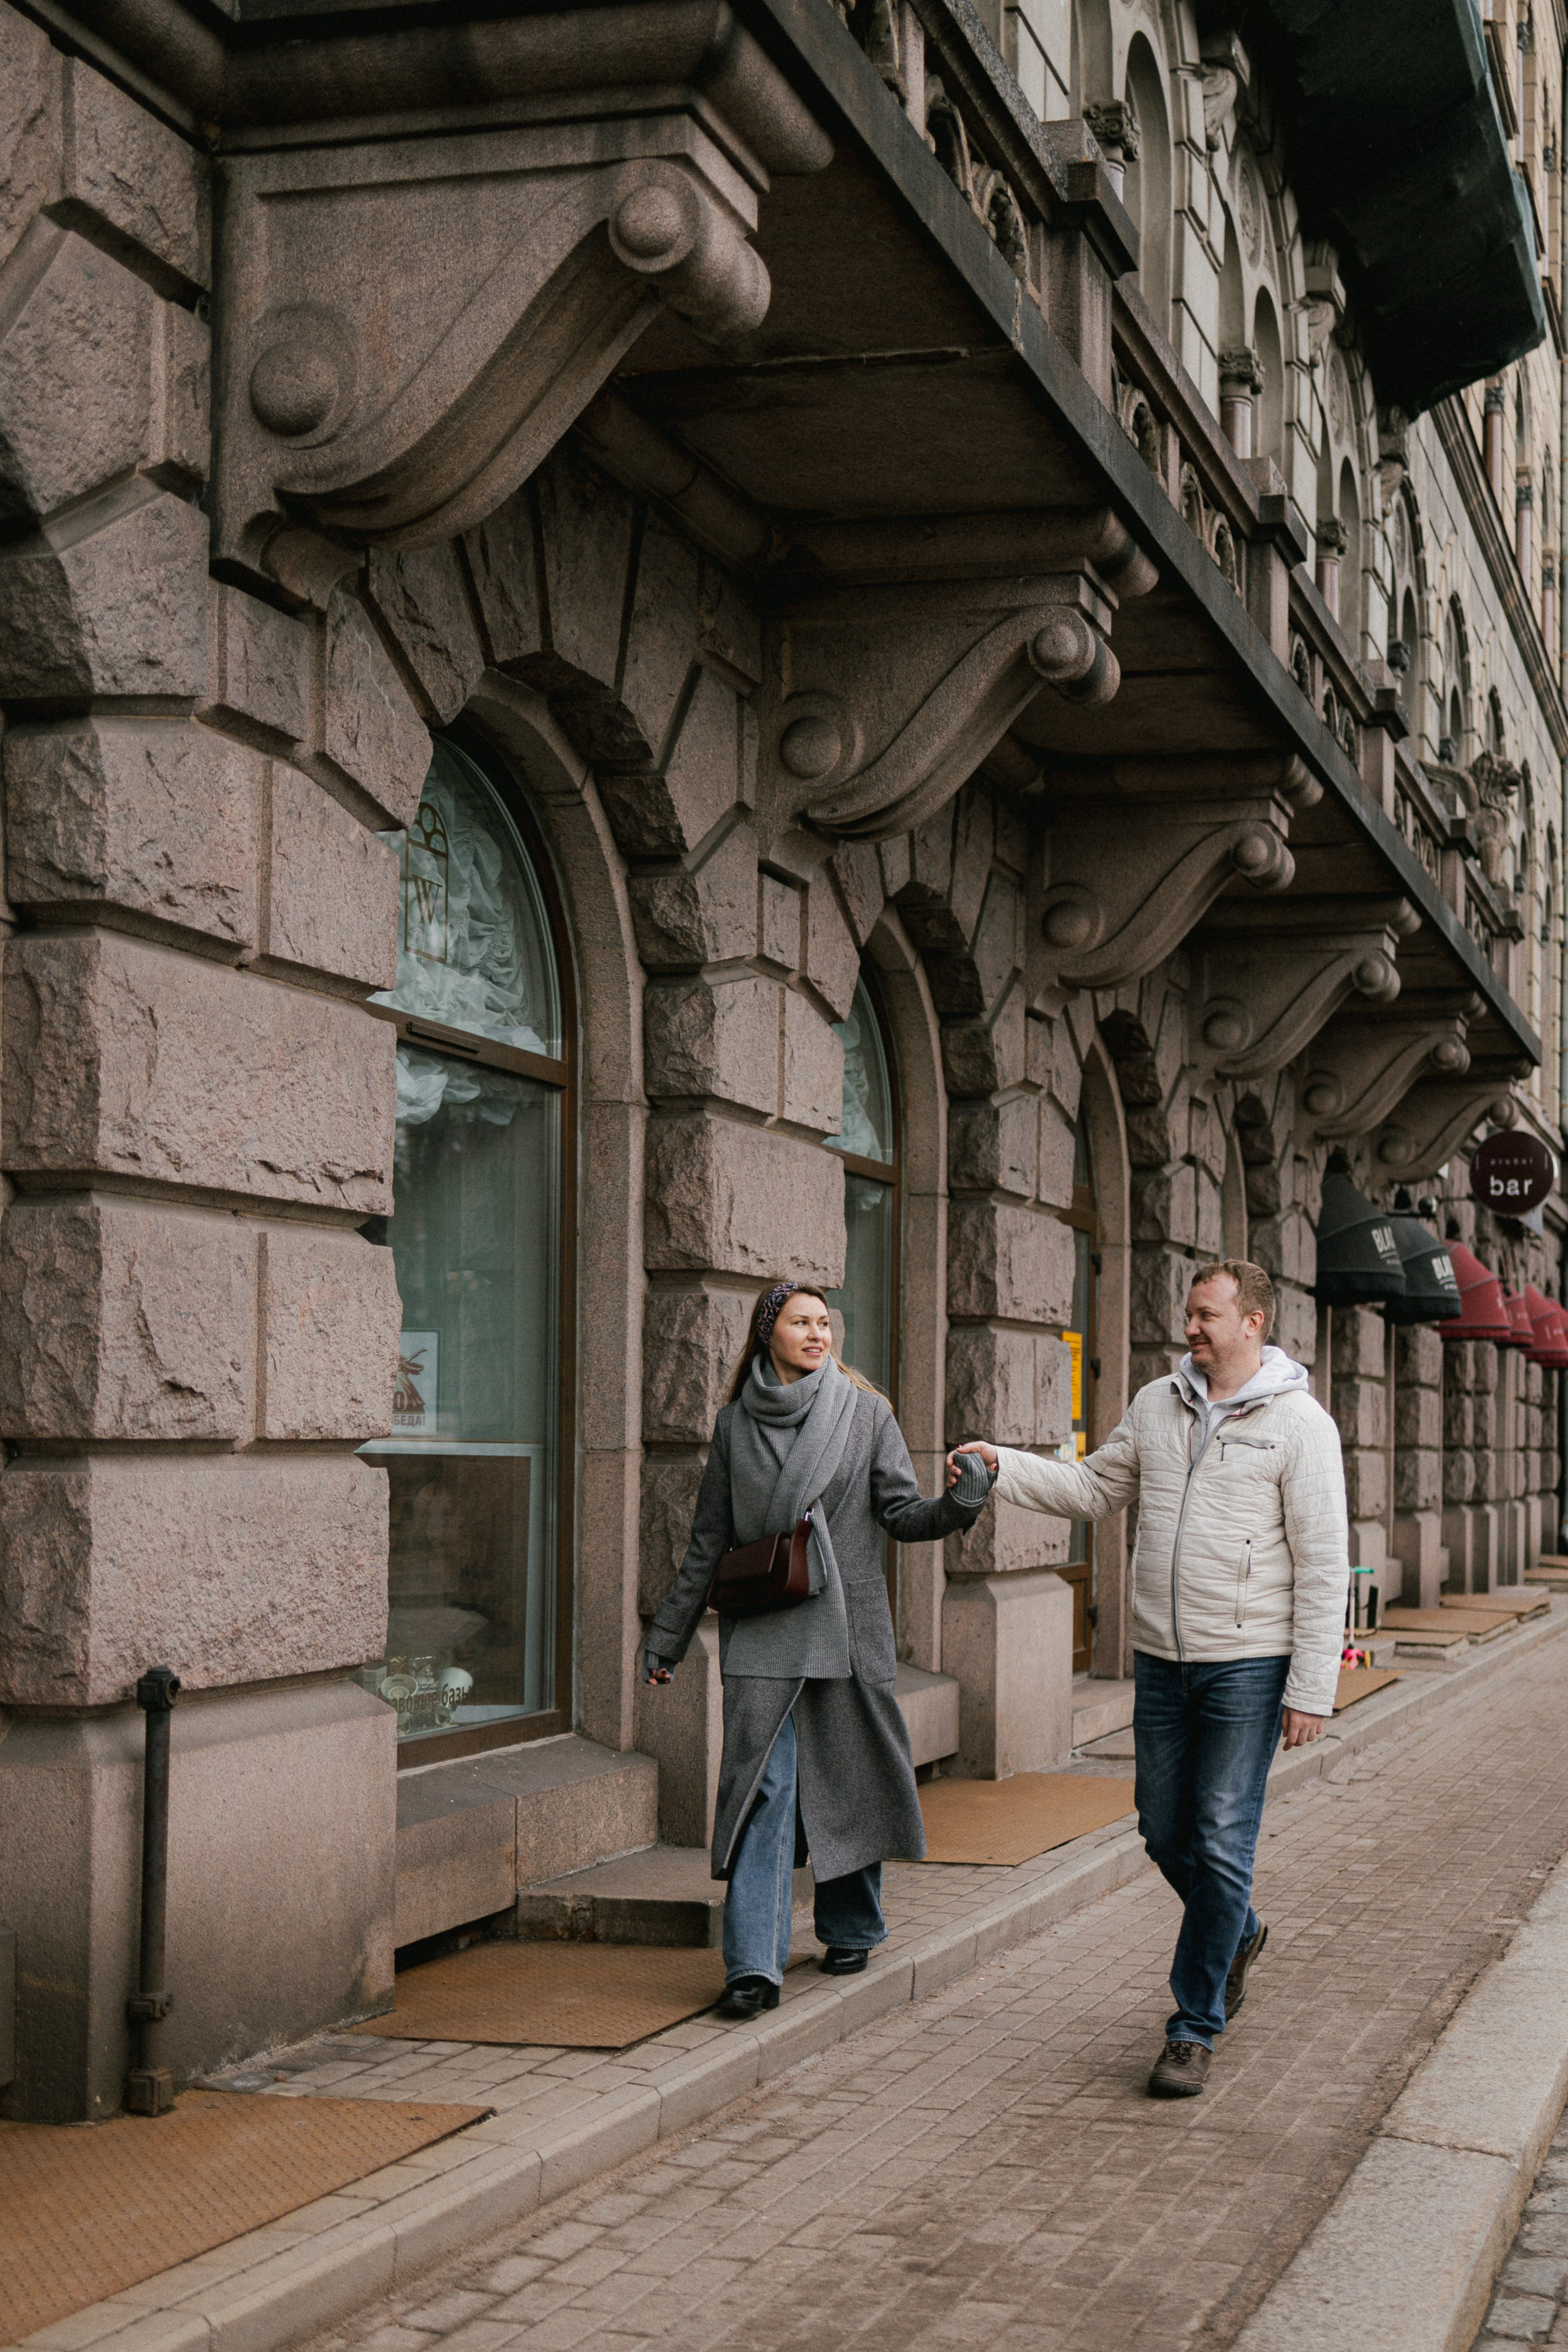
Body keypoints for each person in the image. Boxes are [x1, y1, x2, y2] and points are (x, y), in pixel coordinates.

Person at [951, 1259, 1348, 2099]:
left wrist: (1313, 1687)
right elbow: (1096, 1488)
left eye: (1207, 1316)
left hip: (1248, 1663)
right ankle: (1237, 1931)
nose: (1191, 1328)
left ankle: (1193, 2027)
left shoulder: (1300, 1425)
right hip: (1163, 1660)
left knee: (1220, 1834)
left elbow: (1323, 1565)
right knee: (1162, 1827)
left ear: (1253, 1323)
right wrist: (1005, 1466)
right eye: (1190, 1314)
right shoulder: (1157, 1404)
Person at [644, 1279, 996, 2018]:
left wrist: (962, 1501)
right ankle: (752, 1967)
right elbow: (708, 1540)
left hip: (845, 1627)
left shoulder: (867, 1414)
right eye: (800, 1322)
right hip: (763, 1630)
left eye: (825, 1323)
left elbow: (901, 1513)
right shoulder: (735, 1426)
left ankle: (851, 1926)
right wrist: (668, 1637)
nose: (817, 1334)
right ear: (767, 1333)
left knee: (846, 1774)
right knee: (762, 1792)